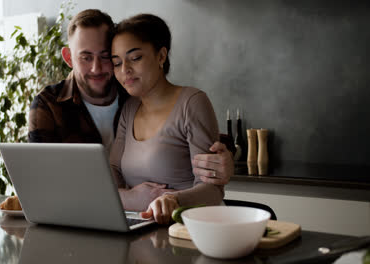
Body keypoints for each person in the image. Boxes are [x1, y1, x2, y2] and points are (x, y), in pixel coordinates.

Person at [27, 9, 233, 213]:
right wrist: (127, 198)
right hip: (111, 220)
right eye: (86, 57)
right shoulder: (49, 105)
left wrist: (227, 155)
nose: (98, 68)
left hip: (180, 224)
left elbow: (200, 151)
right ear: (69, 58)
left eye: (107, 57)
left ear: (161, 56)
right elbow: (44, 187)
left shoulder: (132, 94)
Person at [109, 14, 225, 224]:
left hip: (189, 229)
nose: (124, 69)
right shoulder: (129, 109)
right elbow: (114, 172)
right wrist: (129, 198)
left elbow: (213, 190)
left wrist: (173, 200)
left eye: (135, 58)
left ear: (161, 56)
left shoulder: (192, 103)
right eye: (117, 63)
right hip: (140, 230)